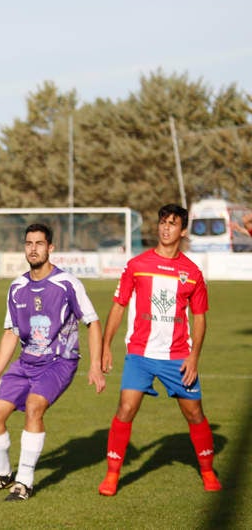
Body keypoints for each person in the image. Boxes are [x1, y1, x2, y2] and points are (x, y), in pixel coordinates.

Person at [98, 203, 222, 496]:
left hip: (178, 357)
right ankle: (112, 475)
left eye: (173, 223)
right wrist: (105, 346)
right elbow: (119, 306)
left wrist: (194, 357)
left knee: (194, 413)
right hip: (139, 354)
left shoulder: (192, 272)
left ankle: (207, 470)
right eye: (163, 222)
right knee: (126, 408)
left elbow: (200, 317)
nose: (166, 228)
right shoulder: (137, 265)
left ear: (183, 230)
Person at [0, 222, 105, 501]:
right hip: (26, 363)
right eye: (28, 244)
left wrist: (95, 365)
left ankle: (24, 481)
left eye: (39, 244)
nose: (33, 249)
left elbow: (92, 322)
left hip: (59, 362)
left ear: (50, 248)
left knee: (35, 407)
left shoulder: (67, 283)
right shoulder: (17, 287)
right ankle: (2, 473)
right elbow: (11, 333)